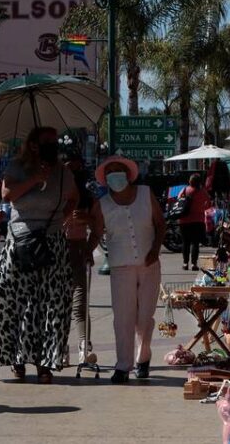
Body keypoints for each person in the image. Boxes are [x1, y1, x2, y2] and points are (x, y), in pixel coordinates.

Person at [0, 127, 78, 384]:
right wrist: (35, 178)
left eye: (54, 141)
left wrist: (61, 219)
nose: (52, 145)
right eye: (47, 141)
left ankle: (44, 362)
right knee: (15, 302)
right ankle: (16, 359)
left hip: (51, 242)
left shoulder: (63, 171)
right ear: (33, 144)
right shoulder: (16, 166)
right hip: (20, 242)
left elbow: (73, 198)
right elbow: (7, 194)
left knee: (51, 305)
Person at [89, 156, 165, 384]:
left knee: (144, 317)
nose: (115, 175)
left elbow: (160, 224)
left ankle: (143, 358)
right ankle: (123, 365)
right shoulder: (102, 205)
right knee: (123, 318)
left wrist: (155, 249)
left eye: (118, 170)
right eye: (110, 171)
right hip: (121, 267)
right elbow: (95, 233)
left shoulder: (145, 193)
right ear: (105, 179)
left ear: (128, 174)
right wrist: (85, 252)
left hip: (149, 264)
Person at [63, 148, 98, 366]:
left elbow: (98, 227)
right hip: (56, 251)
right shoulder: (53, 193)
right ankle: (60, 348)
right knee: (58, 303)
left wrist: (88, 220)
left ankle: (84, 347)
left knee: (79, 302)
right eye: (68, 168)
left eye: (76, 168)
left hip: (77, 249)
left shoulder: (88, 198)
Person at [178, 173, 211, 271]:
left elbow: (179, 201)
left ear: (190, 181)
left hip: (184, 220)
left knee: (185, 242)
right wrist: (200, 208)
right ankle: (194, 264)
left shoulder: (184, 190)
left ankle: (185, 263)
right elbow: (208, 205)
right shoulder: (203, 192)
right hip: (198, 220)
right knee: (195, 243)